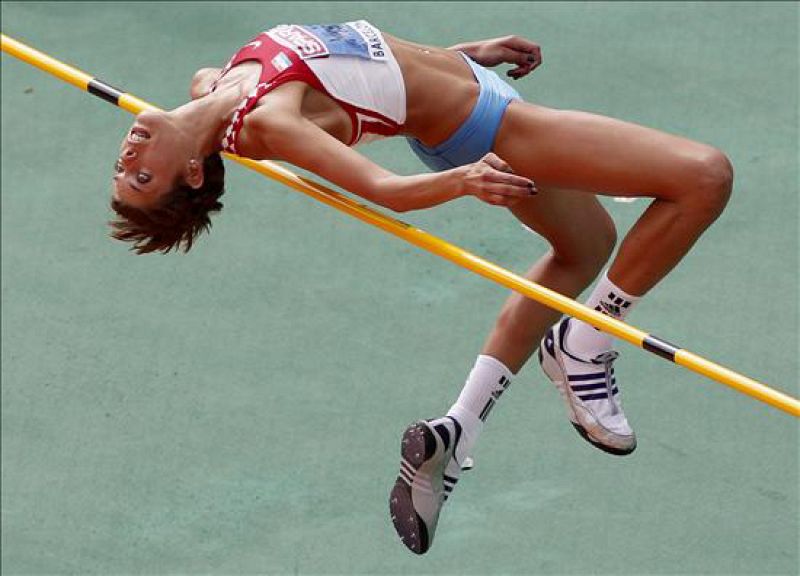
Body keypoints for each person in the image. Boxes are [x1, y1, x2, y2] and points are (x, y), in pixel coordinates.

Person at [110, 20, 733, 554]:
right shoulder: (268, 122)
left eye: (123, 170)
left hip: (468, 86)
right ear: (192, 172)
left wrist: (463, 53)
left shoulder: (213, 83)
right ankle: (587, 342)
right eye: (142, 178)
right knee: (704, 177)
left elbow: (362, 61)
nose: (128, 155)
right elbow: (384, 190)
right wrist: (465, 181)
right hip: (490, 129)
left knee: (586, 248)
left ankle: (458, 430)